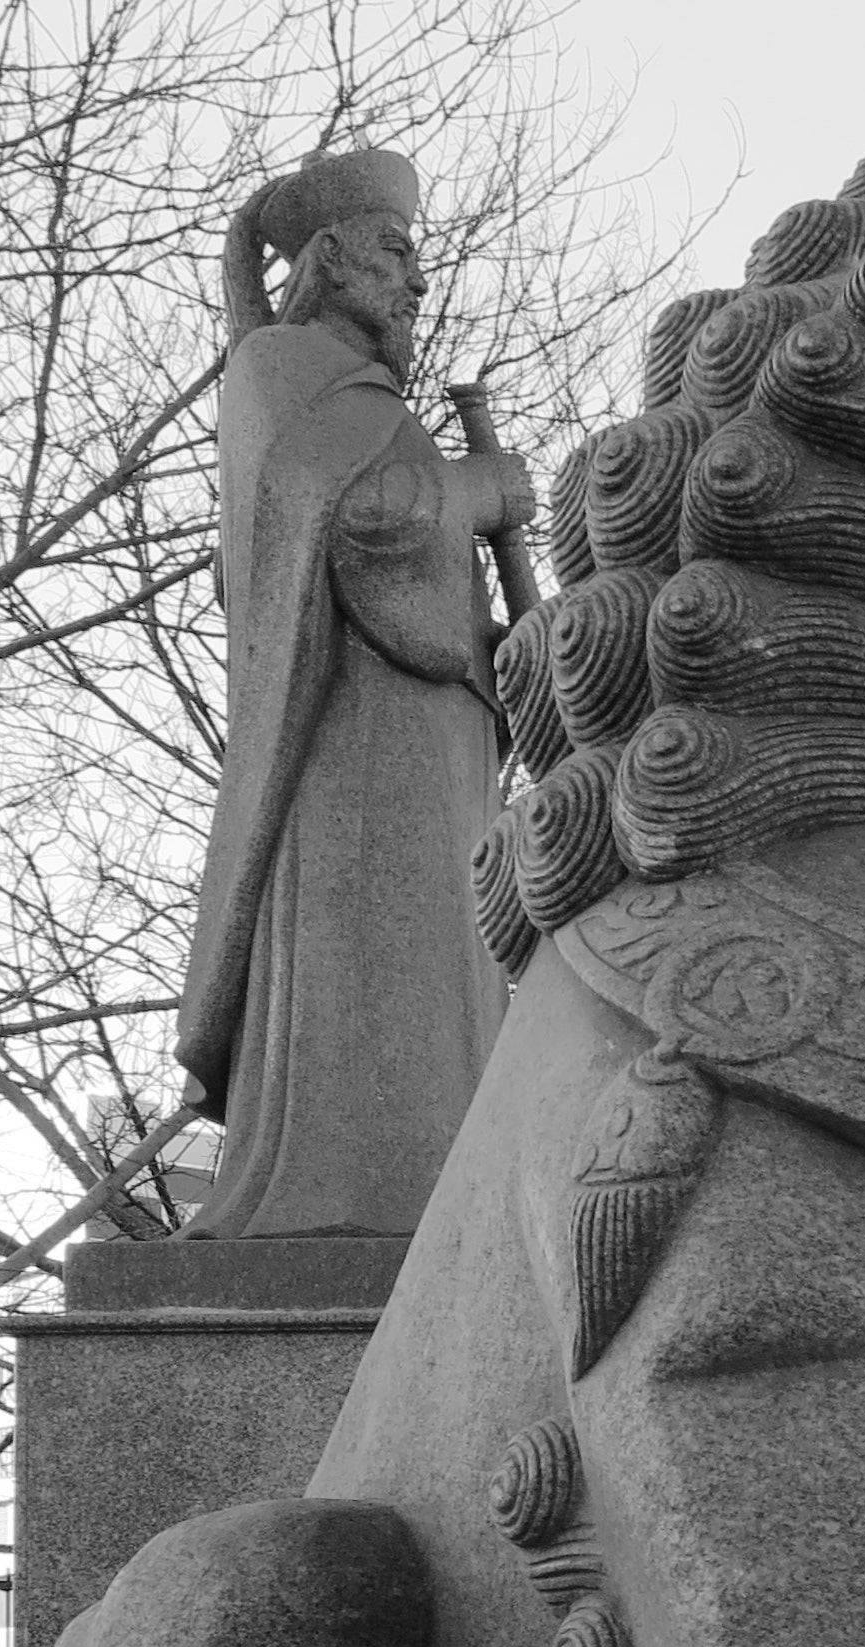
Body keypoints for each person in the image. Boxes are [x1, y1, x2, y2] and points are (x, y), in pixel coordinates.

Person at [175, 150, 532, 1241]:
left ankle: (438, 1185)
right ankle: (352, 1191)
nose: (418, 281)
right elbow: (356, 524)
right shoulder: (281, 365)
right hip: (356, 730)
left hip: (432, 724)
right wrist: (476, 492)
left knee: (450, 957)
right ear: (329, 258)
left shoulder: (367, 396)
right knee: (376, 950)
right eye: (397, 252)